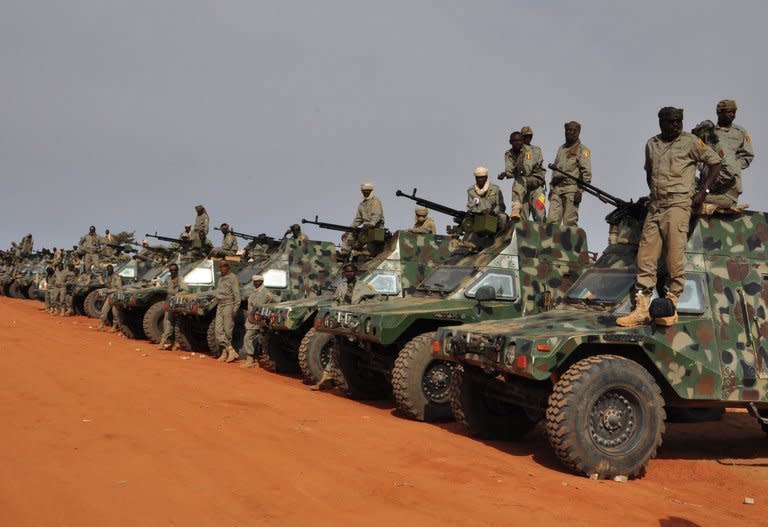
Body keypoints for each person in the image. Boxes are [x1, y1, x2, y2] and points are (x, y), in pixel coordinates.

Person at [617, 107, 722, 328]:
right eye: (671, 121)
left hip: (678, 203)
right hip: (656, 205)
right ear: (661, 122)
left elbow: (715, 162)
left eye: (679, 121)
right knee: (645, 257)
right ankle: (642, 309)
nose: (676, 125)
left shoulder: (691, 142)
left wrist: (703, 191)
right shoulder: (651, 144)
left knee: (674, 257)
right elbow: (649, 173)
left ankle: (670, 306)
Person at [310, 263, 379, 390]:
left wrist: (362, 306)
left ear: (356, 273)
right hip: (343, 323)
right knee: (337, 350)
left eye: (351, 271)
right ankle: (326, 379)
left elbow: (376, 300)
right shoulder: (341, 287)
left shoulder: (364, 287)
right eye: (346, 272)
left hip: (357, 323)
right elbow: (336, 301)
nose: (349, 274)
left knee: (353, 352)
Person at [697, 99, 755, 214]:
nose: (732, 115)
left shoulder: (740, 132)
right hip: (709, 181)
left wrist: (733, 166)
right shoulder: (709, 133)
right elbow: (698, 154)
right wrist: (704, 169)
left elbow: (748, 155)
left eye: (734, 112)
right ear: (719, 113)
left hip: (729, 186)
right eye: (729, 112)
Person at [548, 122, 592, 226]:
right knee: (551, 221)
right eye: (567, 130)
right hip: (557, 189)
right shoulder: (562, 149)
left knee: (569, 222)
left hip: (571, 189)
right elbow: (555, 169)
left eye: (572, 130)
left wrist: (580, 191)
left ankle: (569, 242)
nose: (569, 132)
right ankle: (551, 242)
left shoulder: (583, 150)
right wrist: (551, 188)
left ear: (578, 132)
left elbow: (587, 173)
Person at [498, 131, 546, 221]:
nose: (517, 143)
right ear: (510, 142)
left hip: (536, 184)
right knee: (522, 218)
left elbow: (527, 169)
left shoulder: (529, 151)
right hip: (523, 188)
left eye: (519, 140)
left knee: (540, 215)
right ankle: (516, 209)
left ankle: (515, 207)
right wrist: (507, 173)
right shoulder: (508, 154)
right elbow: (510, 170)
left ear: (523, 141)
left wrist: (517, 170)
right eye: (514, 141)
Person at [340, 183, 385, 255]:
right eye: (363, 191)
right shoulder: (362, 205)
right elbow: (358, 220)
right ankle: (344, 254)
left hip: (376, 228)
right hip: (365, 228)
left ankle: (359, 250)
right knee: (349, 235)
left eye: (367, 190)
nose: (365, 192)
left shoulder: (375, 202)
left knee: (361, 240)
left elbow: (377, 215)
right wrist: (348, 230)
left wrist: (371, 224)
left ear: (371, 191)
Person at [241, 275, 275, 368]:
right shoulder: (254, 292)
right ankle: (255, 360)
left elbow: (263, 306)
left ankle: (250, 359)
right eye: (254, 281)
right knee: (256, 340)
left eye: (258, 281)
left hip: (259, 321)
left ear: (262, 281)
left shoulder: (266, 293)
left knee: (248, 338)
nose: (256, 283)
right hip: (252, 320)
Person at [213, 260, 241, 362]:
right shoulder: (221, 278)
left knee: (227, 331)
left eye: (223, 267)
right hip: (220, 305)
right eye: (219, 267)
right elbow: (218, 291)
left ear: (228, 267)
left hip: (229, 305)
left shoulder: (233, 278)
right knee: (218, 331)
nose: (221, 269)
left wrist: (235, 308)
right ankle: (231, 350)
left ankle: (225, 353)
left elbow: (237, 294)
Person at [520, 126, 548, 221]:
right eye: (525, 136)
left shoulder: (537, 150)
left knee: (540, 214)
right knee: (522, 217)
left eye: (530, 136)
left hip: (537, 187)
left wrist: (541, 179)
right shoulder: (518, 150)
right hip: (523, 186)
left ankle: (543, 235)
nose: (528, 138)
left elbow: (540, 167)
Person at [158, 263, 183, 350]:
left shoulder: (180, 280)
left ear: (177, 271)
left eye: (175, 270)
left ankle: (168, 342)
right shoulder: (169, 279)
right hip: (168, 301)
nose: (173, 272)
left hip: (176, 302)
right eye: (171, 270)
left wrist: (178, 294)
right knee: (168, 321)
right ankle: (171, 342)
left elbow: (185, 290)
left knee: (175, 323)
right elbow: (165, 287)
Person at [98, 264, 123, 331]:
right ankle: (102, 323)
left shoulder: (116, 277)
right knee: (104, 309)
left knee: (114, 311)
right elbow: (105, 284)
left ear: (112, 270)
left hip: (116, 295)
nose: (109, 271)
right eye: (108, 270)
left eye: (110, 269)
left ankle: (115, 326)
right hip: (110, 295)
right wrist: (100, 279)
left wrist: (108, 291)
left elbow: (118, 288)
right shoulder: (107, 277)